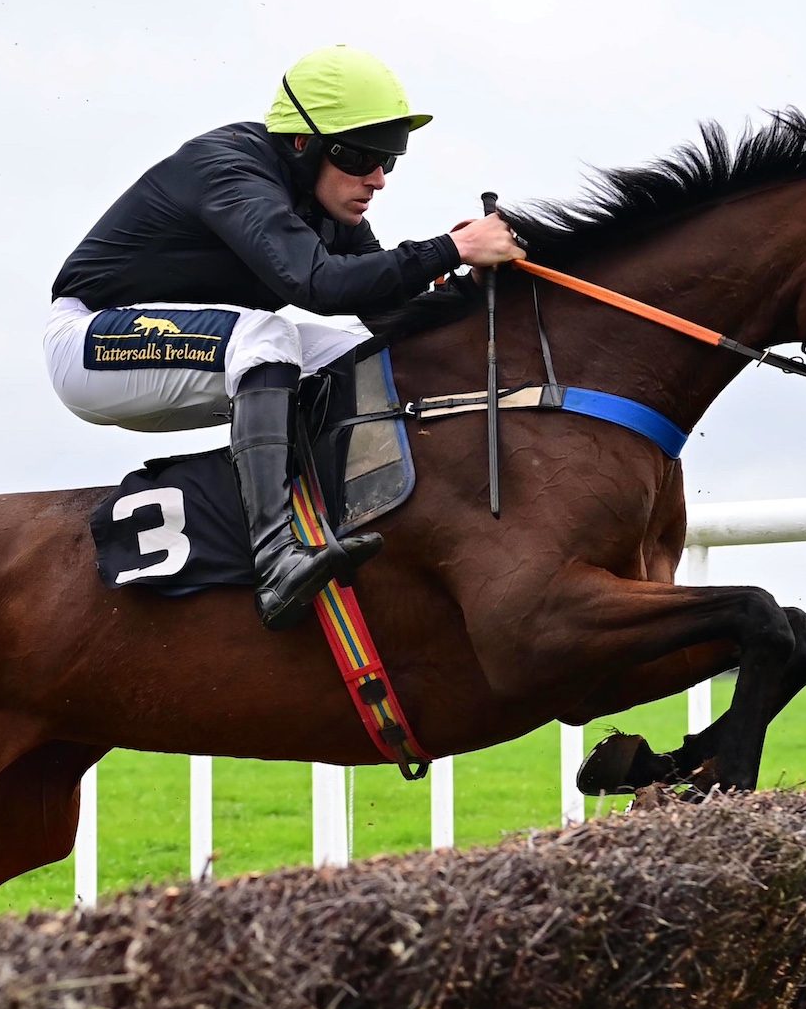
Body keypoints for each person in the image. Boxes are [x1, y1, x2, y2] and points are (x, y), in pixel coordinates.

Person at [44, 44, 524, 630]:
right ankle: (275, 559)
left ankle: (355, 518)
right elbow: (316, 282)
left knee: (366, 357)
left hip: (188, 350)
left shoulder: (329, 206)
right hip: (93, 341)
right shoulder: (228, 168)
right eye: (365, 156)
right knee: (266, 334)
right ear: (304, 144)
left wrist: (466, 285)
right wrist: (449, 247)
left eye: (390, 159)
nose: (377, 178)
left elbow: (389, 311)